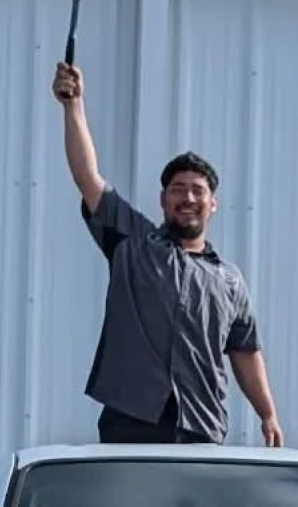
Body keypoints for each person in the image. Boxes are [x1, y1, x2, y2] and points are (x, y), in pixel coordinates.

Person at [52, 61, 283, 447]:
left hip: (202, 426)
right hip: (133, 418)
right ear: (163, 200)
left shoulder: (229, 280)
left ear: (213, 204)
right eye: (177, 189)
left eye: (197, 190)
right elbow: (87, 178)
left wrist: (268, 413)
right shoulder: (134, 242)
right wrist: (73, 106)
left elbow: (245, 351)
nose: (187, 198)